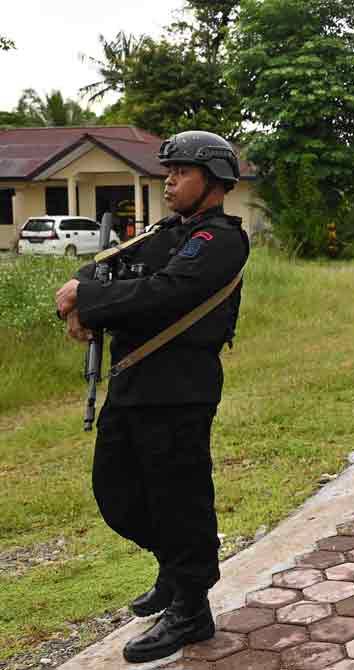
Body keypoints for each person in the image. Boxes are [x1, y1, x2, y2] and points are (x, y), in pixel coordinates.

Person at [54, 130, 250, 663]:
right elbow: (109, 267)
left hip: (179, 390)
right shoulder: (169, 232)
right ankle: (175, 567)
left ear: (212, 182)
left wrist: (90, 300)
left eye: (180, 173)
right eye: (169, 172)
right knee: (116, 495)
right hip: (133, 383)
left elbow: (166, 294)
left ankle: (191, 608)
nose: (168, 182)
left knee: (179, 499)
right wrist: (77, 303)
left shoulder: (219, 240)